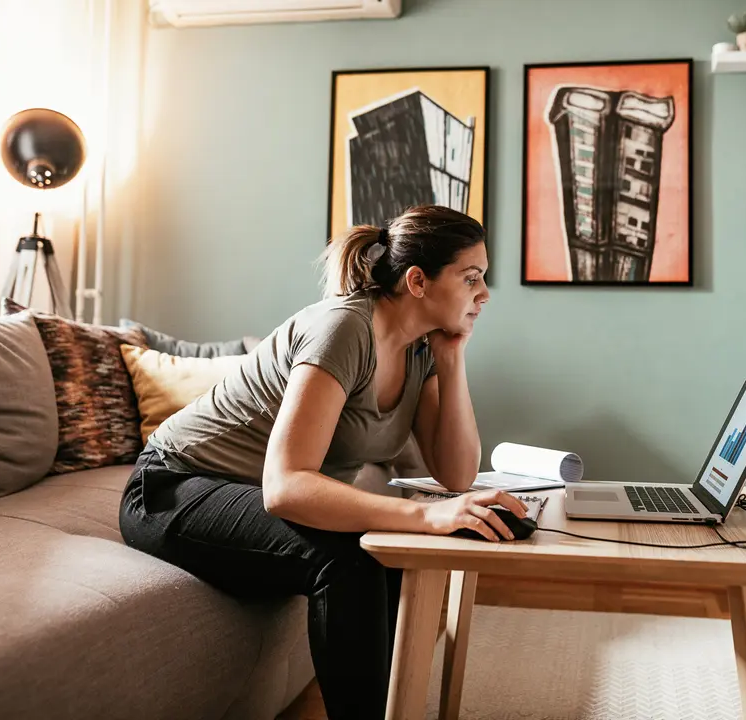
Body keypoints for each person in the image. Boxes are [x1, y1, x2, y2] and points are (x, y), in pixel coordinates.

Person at [118, 204, 527, 719]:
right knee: (351, 559)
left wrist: (451, 358)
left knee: (395, 551)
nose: (484, 293)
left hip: (244, 496)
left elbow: (456, 473)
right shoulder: (344, 329)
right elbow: (286, 487)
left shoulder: (420, 349)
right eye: (471, 278)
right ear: (418, 281)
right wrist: (426, 515)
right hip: (171, 487)